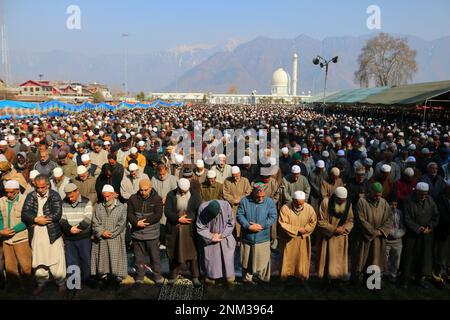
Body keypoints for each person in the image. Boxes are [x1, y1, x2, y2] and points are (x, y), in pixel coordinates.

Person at [21, 174, 66, 297]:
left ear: (47, 185)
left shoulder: (54, 195)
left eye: (42, 187)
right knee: (39, 258)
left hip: (51, 231)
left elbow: (57, 213)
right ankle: (41, 283)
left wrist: (43, 220)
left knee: (56, 259)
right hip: (37, 232)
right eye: (38, 187)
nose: (40, 190)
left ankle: (61, 283)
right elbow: (25, 213)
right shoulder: (31, 196)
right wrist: (35, 219)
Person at [351, 182, 392, 285]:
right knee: (361, 259)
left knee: (375, 260)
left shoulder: (384, 203)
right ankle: (356, 282)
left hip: (378, 238)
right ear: (370, 192)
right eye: (376, 195)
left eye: (380, 195)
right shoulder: (362, 202)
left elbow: (389, 219)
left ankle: (371, 282)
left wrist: (381, 231)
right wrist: (373, 232)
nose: (378, 197)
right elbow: (361, 220)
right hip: (364, 237)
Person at [401, 182, 440, 289]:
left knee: (424, 257)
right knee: (409, 257)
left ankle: (420, 279)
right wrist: (418, 228)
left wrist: (429, 226)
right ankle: (405, 279)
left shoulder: (430, 200)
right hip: (412, 234)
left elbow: (436, 216)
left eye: (425, 193)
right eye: (421, 193)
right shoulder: (409, 200)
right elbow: (407, 218)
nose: (423, 196)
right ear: (416, 191)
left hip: (426, 235)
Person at [237, 182, 277, 284]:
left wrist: (261, 226)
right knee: (246, 259)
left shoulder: (269, 202)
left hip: (262, 238)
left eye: (263, 196)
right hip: (247, 237)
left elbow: (273, 217)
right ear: (253, 193)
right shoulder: (244, 201)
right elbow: (239, 215)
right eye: (258, 196)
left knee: (264, 260)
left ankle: (263, 279)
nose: (260, 199)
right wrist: (249, 226)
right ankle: (247, 279)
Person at [165, 178, 202, 287]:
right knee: (174, 252)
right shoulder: (171, 195)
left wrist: (187, 218)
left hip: (190, 229)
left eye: (185, 191)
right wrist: (178, 219)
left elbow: (197, 211)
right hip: (174, 228)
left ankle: (195, 276)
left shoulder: (195, 195)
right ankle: (173, 276)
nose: (183, 193)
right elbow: (167, 211)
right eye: (181, 191)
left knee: (192, 253)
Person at [127, 179, 164, 285]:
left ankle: (157, 276)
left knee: (155, 257)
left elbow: (158, 215)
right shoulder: (133, 198)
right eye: (141, 190)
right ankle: (139, 277)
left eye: (145, 190)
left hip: (152, 234)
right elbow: (129, 214)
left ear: (150, 188)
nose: (143, 192)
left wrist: (144, 222)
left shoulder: (157, 199)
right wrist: (136, 222)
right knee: (139, 258)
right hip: (137, 234)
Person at [91, 184, 128, 288]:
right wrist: (102, 232)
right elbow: (95, 222)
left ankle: (116, 278)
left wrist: (111, 234)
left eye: (108, 196)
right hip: (102, 238)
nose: (106, 198)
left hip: (115, 238)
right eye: (104, 196)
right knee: (103, 259)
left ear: (113, 195)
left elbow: (122, 223)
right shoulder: (99, 207)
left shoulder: (121, 207)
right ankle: (104, 277)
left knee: (115, 258)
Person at [316, 187, 354, 288]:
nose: (342, 203)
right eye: (340, 201)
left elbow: (350, 220)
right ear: (335, 197)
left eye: (343, 201)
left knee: (338, 261)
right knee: (326, 260)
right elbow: (320, 221)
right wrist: (333, 229)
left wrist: (344, 228)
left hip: (341, 238)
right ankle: (325, 283)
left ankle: (337, 282)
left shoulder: (348, 204)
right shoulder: (326, 202)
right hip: (328, 237)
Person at [279, 191, 317, 286]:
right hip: (289, 240)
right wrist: (297, 230)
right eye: (297, 203)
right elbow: (283, 223)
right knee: (288, 259)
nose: (300, 206)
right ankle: (287, 278)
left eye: (301, 203)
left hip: (303, 240)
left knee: (302, 259)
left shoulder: (309, 209)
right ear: (293, 200)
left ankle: (301, 278)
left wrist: (305, 230)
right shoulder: (285, 208)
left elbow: (313, 222)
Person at [60, 183, 93, 289]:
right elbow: (62, 219)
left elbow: (88, 218)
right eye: (68, 196)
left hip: (83, 237)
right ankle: (73, 282)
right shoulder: (64, 203)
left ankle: (86, 279)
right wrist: (69, 229)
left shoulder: (86, 201)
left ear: (77, 191)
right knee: (71, 261)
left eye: (72, 196)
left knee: (85, 259)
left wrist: (78, 228)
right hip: (69, 237)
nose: (70, 198)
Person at [0, 180, 31, 290]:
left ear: (17, 191)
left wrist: (13, 230)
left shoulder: (25, 200)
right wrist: (1, 230)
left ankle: (29, 287)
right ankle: (13, 287)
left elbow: (27, 220)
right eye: (6, 192)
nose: (8, 195)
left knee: (25, 265)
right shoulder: (2, 201)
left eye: (11, 192)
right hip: (6, 239)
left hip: (21, 238)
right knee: (10, 266)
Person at [196, 200, 236, 285]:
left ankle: (229, 278)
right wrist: (211, 237)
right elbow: (200, 227)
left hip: (225, 237)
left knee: (227, 260)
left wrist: (222, 235)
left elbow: (231, 223)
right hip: (210, 239)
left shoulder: (226, 206)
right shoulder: (202, 208)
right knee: (211, 262)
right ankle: (210, 278)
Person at [223, 166, 252, 239]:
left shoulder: (245, 181)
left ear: (240, 173)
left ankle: (242, 237)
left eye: (237, 176)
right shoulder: (227, 181)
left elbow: (248, 192)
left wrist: (240, 199)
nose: (235, 178)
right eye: (234, 176)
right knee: (232, 222)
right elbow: (225, 193)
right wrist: (233, 200)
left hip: (243, 205)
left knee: (243, 221)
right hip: (231, 206)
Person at [384, 194, 405, 283]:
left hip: (398, 241)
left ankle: (393, 274)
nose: (394, 206)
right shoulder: (384, 213)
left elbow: (403, 227)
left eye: (395, 205)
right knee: (385, 259)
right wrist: (391, 233)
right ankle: (385, 274)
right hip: (386, 240)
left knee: (396, 259)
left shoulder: (399, 213)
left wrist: (399, 234)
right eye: (392, 204)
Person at [434, 179, 450, 284]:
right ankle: (438, 274)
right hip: (444, 231)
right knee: (441, 254)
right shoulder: (440, 198)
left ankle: (447, 273)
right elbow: (442, 215)